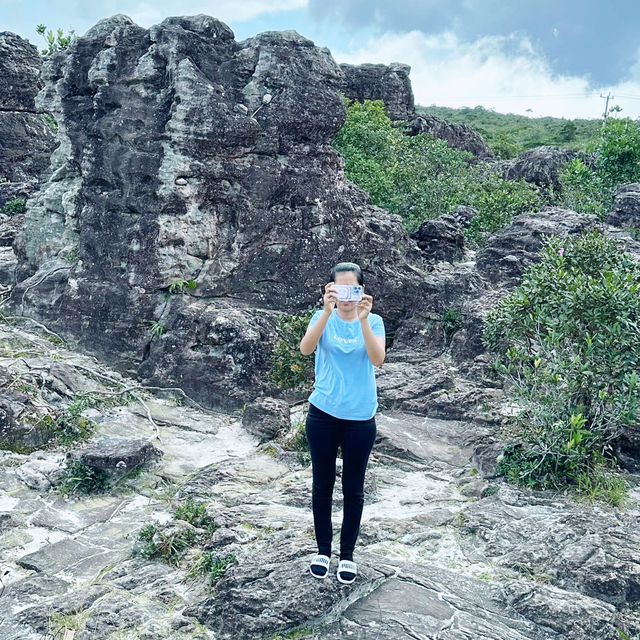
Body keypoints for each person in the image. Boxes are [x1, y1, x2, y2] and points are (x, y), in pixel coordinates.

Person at [299, 261, 386, 584]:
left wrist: (362, 320)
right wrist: (325, 312)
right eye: (339, 289)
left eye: (353, 289)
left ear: (361, 291)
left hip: (360, 418)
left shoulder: (374, 321)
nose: (346, 297)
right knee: (322, 485)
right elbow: (306, 348)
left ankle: (347, 555)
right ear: (330, 290)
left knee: (353, 488)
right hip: (322, 414)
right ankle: (323, 550)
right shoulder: (322, 318)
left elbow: (377, 358)